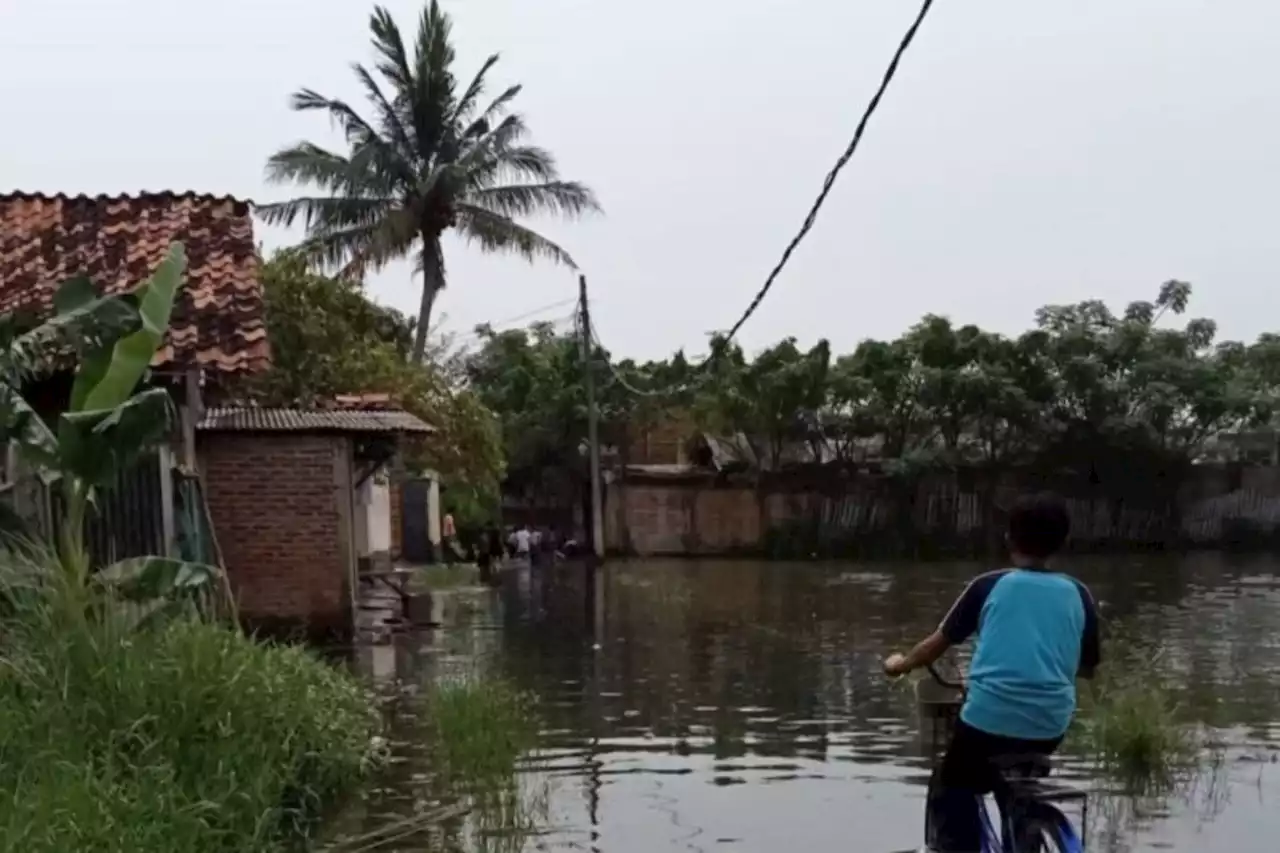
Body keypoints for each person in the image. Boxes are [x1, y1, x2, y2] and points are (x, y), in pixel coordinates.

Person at [882, 492, 1101, 853]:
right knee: (1018, 787)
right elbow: (1087, 669)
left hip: (987, 721)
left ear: (1009, 540)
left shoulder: (989, 585)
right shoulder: (1079, 594)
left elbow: (935, 645)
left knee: (950, 783)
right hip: (1050, 724)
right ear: (1063, 543)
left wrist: (900, 665)